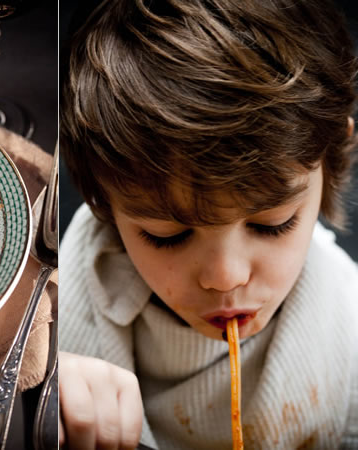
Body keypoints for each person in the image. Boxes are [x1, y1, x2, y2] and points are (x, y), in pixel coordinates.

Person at [58, 0, 358, 448]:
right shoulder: (44, 319)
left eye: (273, 224)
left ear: (332, 161)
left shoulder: (348, 330)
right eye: (167, 235)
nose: (225, 277)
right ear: (102, 199)